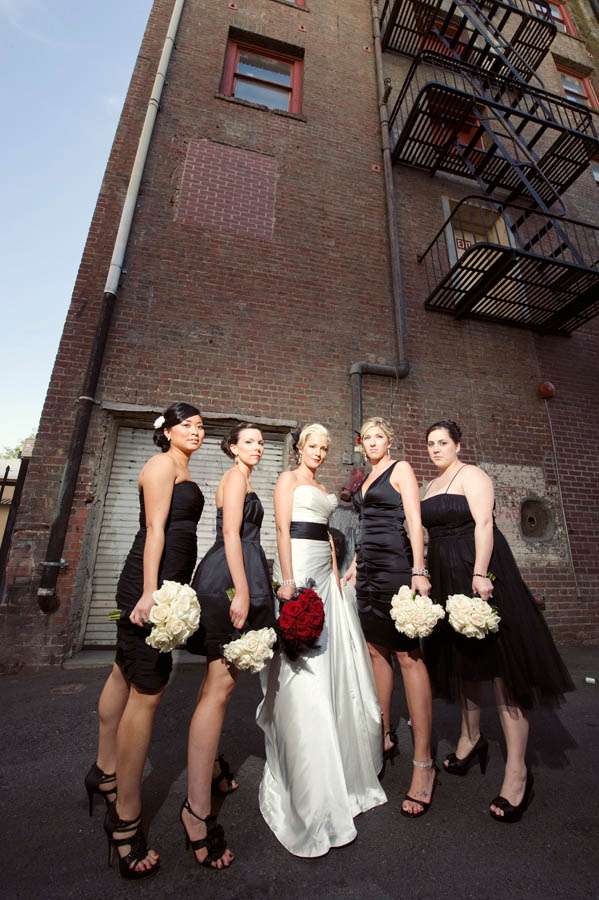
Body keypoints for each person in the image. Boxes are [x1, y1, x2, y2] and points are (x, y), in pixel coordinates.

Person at [421, 419, 574, 822]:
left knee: (504, 667)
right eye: (430, 443)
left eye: (442, 442)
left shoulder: (472, 475)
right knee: (463, 661)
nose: (435, 449)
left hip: (481, 572)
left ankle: (517, 771)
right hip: (445, 574)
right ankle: (470, 740)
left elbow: (485, 525)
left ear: (458, 445)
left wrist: (479, 573)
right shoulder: (429, 486)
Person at [85, 402, 205, 880]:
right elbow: (154, 529)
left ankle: (104, 771)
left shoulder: (181, 467)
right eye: (187, 425)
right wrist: (151, 592)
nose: (196, 431)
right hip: (148, 586)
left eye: (200, 426)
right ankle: (125, 820)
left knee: (123, 669)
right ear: (167, 430)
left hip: (164, 583)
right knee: (148, 691)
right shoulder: (160, 465)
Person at [257, 424, 387, 857]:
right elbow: (282, 530)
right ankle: (310, 772)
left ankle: (344, 761)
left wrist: (335, 570)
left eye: (324, 448)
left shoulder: (318, 485)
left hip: (326, 574)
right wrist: (288, 581)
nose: (318, 452)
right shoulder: (288, 480)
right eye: (313, 446)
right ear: (300, 447)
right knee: (303, 662)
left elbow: (327, 533)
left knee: (334, 656)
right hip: (298, 570)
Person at [181, 424, 275, 870]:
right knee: (219, 689)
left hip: (238, 573)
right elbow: (233, 535)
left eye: (261, 442)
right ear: (233, 448)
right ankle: (195, 811)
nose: (257, 447)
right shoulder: (235, 478)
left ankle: (212, 769)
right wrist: (241, 590)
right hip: (229, 579)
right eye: (249, 441)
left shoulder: (243, 477)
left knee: (215, 685)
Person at [346, 416, 436, 818]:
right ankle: (382, 736)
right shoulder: (365, 478)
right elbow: (363, 525)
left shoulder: (401, 469)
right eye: (366, 437)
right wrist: (355, 564)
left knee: (407, 656)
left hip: (397, 568)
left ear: (389, 440)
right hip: (368, 572)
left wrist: (419, 569)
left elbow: (413, 520)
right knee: (375, 652)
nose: (372, 442)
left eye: (378, 436)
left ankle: (423, 763)